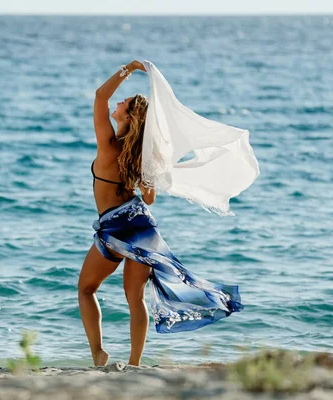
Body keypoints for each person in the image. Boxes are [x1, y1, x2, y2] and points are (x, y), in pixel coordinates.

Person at [78, 60, 243, 368]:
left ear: (128, 117)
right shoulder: (141, 154)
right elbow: (149, 199)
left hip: (115, 228)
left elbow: (100, 96)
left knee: (86, 289)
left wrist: (128, 69)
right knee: (135, 299)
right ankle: (135, 363)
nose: (117, 102)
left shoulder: (108, 146)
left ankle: (99, 354)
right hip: (141, 226)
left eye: (123, 103)